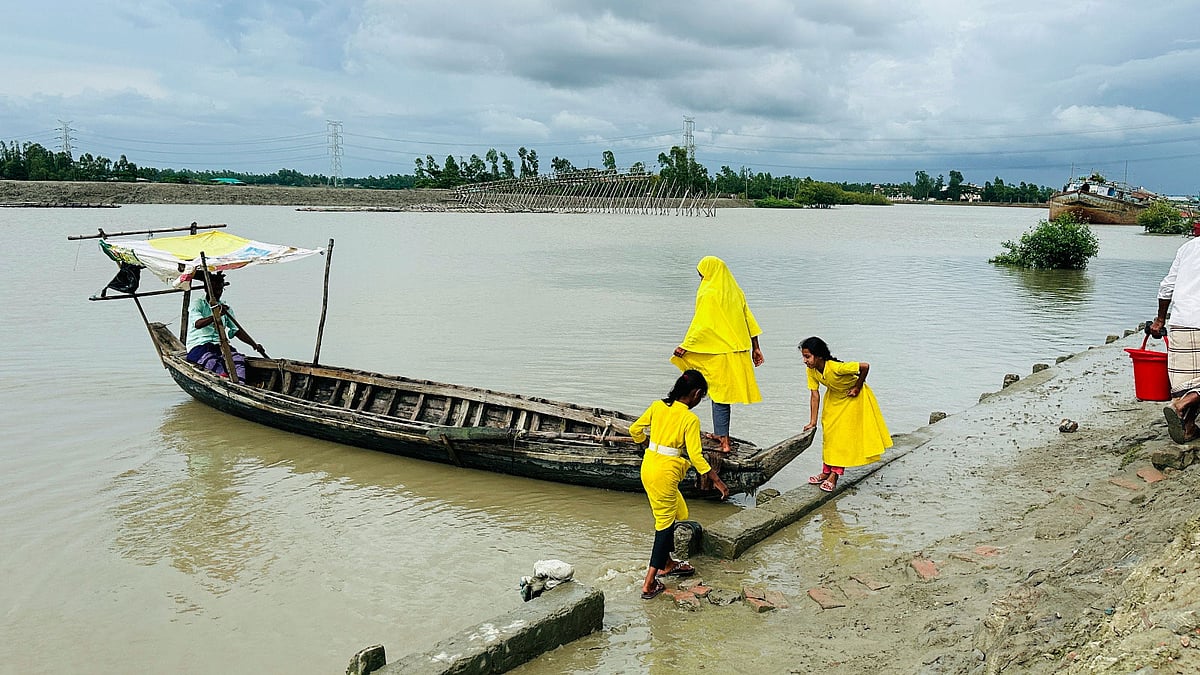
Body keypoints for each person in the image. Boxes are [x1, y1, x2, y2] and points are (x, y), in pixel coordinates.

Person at [630, 369, 729, 600]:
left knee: (677, 511)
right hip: (665, 473)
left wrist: (646, 443)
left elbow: (634, 429)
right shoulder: (689, 419)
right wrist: (718, 481)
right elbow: (696, 456)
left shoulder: (657, 406)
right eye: (700, 397)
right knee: (664, 526)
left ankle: (667, 562)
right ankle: (649, 582)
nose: (698, 402)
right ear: (695, 393)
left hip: (649, 467)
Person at [670, 256, 764, 454]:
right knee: (719, 395)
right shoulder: (735, 291)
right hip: (736, 351)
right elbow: (749, 319)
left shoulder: (708, 292)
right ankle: (720, 434)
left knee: (718, 395)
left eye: (701, 275)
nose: (701, 279)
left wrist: (685, 345)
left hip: (717, 353)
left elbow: (702, 323)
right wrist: (756, 347)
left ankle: (724, 443)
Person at [799, 336, 892, 493]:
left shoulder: (836, 367)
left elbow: (865, 366)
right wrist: (812, 422)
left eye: (807, 356)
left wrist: (857, 387)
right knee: (829, 435)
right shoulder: (812, 370)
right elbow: (814, 395)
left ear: (819, 355)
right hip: (834, 398)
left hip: (853, 398)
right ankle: (826, 471)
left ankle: (835, 475)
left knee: (842, 437)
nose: (804, 360)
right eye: (803, 356)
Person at [1150, 236, 1200, 443]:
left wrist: (1160, 320)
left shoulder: (1188, 248)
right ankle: (1182, 404)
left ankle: (1187, 428)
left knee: (1188, 381)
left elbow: (1166, 287)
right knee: (1193, 390)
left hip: (1181, 322)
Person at [185, 270, 263, 381]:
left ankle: (240, 384)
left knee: (238, 360)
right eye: (215, 290)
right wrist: (216, 315)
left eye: (221, 289)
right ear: (207, 289)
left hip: (220, 345)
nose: (218, 293)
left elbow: (236, 330)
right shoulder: (198, 304)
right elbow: (198, 324)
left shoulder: (225, 308)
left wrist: (254, 345)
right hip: (199, 346)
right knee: (211, 362)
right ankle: (226, 380)